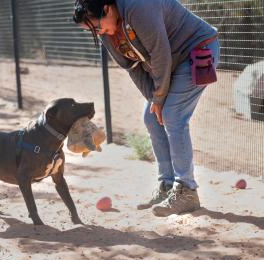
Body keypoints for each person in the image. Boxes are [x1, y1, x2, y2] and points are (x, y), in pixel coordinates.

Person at [73, 0, 220, 216]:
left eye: (97, 27)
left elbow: (160, 53)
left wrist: (159, 99)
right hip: (169, 62)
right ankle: (167, 185)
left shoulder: (138, 7)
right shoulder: (106, 31)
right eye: (92, 30)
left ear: (107, 8)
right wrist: (154, 100)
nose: (98, 32)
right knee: (152, 117)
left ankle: (187, 191)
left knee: (173, 116)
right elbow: (132, 67)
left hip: (196, 51)